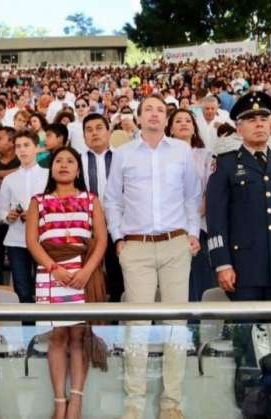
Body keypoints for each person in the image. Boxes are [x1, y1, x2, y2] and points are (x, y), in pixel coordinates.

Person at [206, 92, 271, 419]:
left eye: (264, 118)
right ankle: (251, 405)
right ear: (239, 127)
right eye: (252, 120)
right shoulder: (226, 165)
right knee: (249, 340)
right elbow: (216, 217)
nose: (259, 124)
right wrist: (222, 262)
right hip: (244, 268)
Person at [104, 94, 202, 419]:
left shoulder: (182, 151)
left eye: (161, 110)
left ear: (167, 117)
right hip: (136, 247)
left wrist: (192, 234)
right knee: (137, 326)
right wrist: (119, 239)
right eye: (149, 109)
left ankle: (171, 404)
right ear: (139, 115)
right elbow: (112, 200)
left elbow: (192, 196)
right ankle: (134, 403)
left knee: (176, 324)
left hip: (176, 245)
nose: (155, 115)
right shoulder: (122, 154)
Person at [26, 146, 107, 419]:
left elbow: (102, 240)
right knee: (58, 336)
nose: (63, 165)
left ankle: (76, 401)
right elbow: (32, 242)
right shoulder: (38, 201)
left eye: (70, 161)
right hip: (51, 272)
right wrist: (53, 268)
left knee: (79, 337)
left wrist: (87, 272)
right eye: (58, 161)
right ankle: (59, 401)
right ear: (51, 168)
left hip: (83, 272)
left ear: (78, 169)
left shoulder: (90, 199)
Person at [166, 109, 216, 302]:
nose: (184, 124)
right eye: (178, 121)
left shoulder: (206, 155)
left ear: (194, 128)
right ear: (170, 128)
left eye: (188, 120)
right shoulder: (161, 156)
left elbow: (210, 191)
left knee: (202, 280)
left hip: (200, 226)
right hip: (172, 227)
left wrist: (193, 221)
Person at [0, 130, 48, 303]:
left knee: (44, 288)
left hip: (43, 239)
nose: (22, 150)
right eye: (18, 146)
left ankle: (46, 329)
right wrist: (8, 216)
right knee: (22, 291)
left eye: (26, 145)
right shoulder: (9, 180)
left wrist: (36, 215)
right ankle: (27, 330)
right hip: (16, 241)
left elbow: (53, 207)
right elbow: (1, 210)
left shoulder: (48, 175)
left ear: (36, 148)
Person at [81, 114, 123, 302]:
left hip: (120, 228)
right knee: (89, 280)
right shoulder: (76, 160)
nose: (94, 133)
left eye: (99, 128)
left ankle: (118, 325)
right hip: (87, 230)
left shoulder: (123, 158)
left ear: (109, 131)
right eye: (89, 130)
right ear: (83, 136)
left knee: (119, 279)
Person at [0, 127, 20, 286]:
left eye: (0, 138)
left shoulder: (22, 163)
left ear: (12, 142)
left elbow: (25, 174)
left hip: (18, 221)